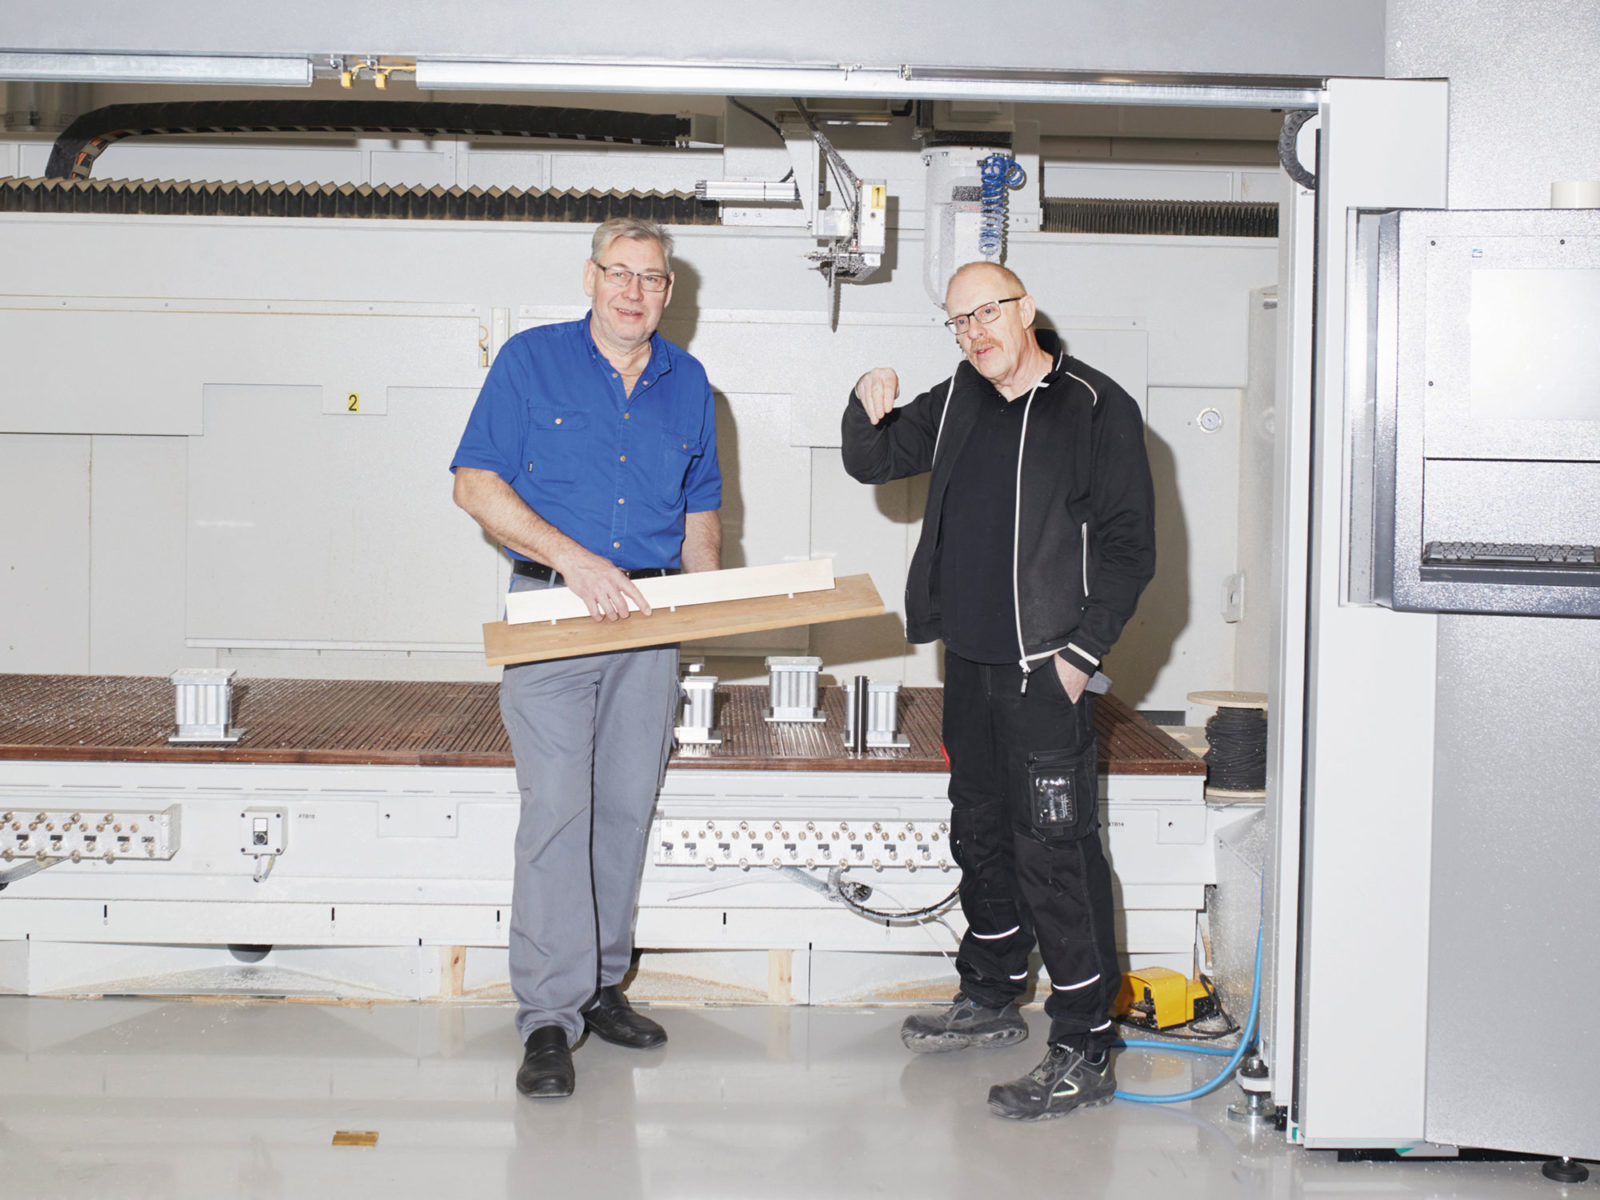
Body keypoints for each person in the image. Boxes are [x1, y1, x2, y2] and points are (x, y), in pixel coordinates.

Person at [841, 260, 1155, 1120]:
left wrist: (1080, 654)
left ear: (1026, 311)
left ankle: (1087, 1040)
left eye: (988, 313)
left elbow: (1130, 548)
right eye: (958, 321)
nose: (975, 332)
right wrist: (862, 398)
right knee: (977, 827)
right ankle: (990, 989)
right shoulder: (959, 399)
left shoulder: (1097, 407)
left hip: (1046, 669)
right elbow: (874, 460)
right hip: (970, 663)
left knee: (1054, 848)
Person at [451, 217, 722, 1099]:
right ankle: (546, 1018)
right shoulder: (531, 362)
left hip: (650, 620)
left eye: (651, 278)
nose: (633, 292)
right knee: (559, 810)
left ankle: (601, 984)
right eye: (619, 273)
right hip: (554, 608)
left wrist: (704, 600)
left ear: (668, 292)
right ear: (590, 277)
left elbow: (701, 510)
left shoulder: (691, 385)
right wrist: (572, 559)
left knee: (624, 809)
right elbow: (474, 484)